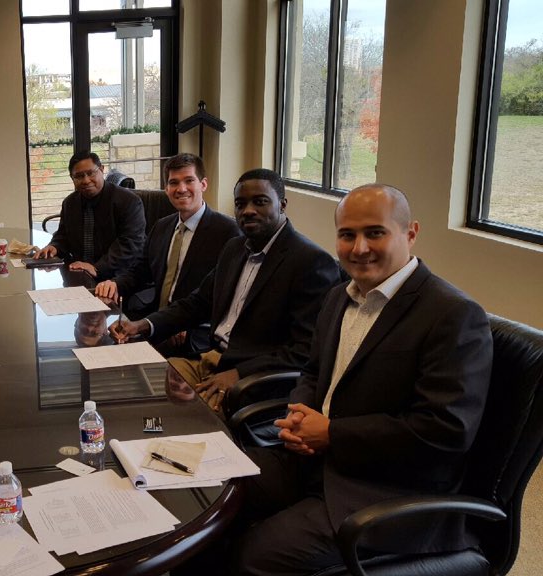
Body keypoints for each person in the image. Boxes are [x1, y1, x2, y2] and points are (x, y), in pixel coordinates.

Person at [233, 184, 493, 575]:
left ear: (410, 233)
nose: (359, 248)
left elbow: (445, 430)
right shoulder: (338, 297)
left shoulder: (453, 315)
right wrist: (300, 414)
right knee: (214, 488)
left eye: (375, 233)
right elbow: (313, 371)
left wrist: (332, 434)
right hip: (313, 462)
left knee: (255, 555)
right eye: (347, 235)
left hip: (386, 490)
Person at [110, 168, 340, 412]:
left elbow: (305, 350)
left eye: (260, 202)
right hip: (210, 359)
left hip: (253, 379)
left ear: (282, 204)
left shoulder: (310, 262)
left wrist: (239, 373)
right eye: (240, 204)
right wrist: (142, 325)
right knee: (139, 386)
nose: (248, 210)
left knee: (177, 415)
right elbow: (197, 303)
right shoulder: (235, 248)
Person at [95, 153, 240, 352]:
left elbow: (225, 297)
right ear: (167, 189)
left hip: (194, 334)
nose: (181, 189)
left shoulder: (228, 232)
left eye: (189, 180)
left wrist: (190, 326)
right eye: (174, 183)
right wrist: (115, 284)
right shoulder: (162, 226)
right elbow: (140, 271)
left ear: (203, 184)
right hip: (155, 322)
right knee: (102, 347)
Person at [34, 150, 145, 280]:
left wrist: (97, 267)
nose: (86, 180)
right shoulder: (70, 203)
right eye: (79, 176)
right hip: (80, 272)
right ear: (72, 178)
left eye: (91, 173)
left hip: (119, 277)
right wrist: (54, 247)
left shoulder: (128, 201)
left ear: (102, 169)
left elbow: (130, 244)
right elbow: (63, 235)